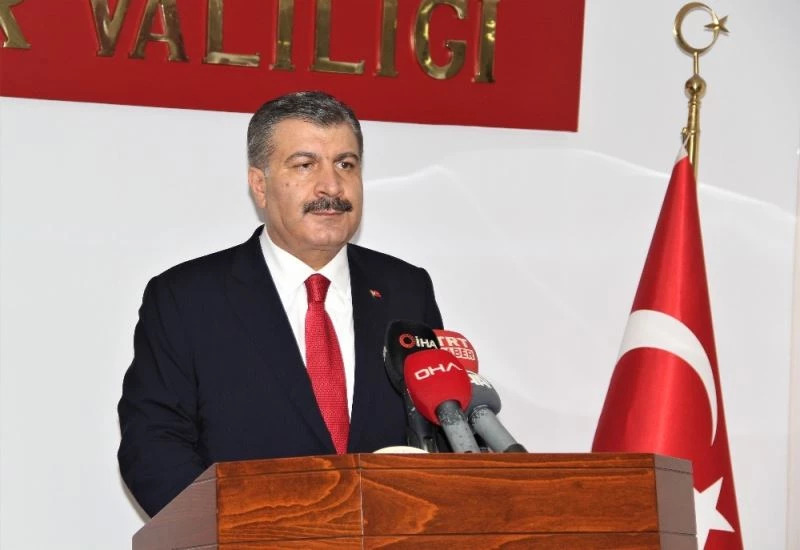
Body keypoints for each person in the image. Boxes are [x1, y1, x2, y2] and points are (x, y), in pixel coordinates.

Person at [117, 91, 443, 517]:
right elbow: (153, 446)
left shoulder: (406, 289)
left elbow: (440, 428)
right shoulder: (186, 298)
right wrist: (236, 534)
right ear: (260, 185)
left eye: (345, 164)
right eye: (305, 165)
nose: (331, 186)